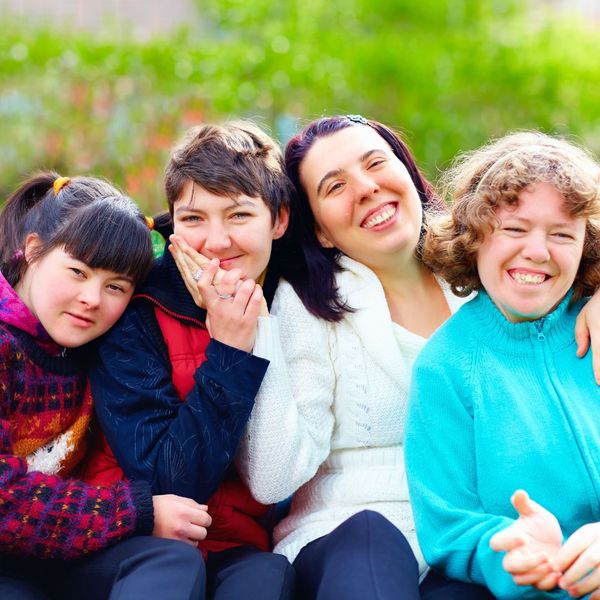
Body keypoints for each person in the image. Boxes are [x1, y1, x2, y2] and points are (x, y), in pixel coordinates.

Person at [89, 122, 295, 600]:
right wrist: (229, 351)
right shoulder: (137, 308)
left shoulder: (299, 299)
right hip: (139, 539)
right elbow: (166, 481)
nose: (216, 242)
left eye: (239, 215)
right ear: (174, 221)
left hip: (240, 542)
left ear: (279, 220)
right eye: (194, 218)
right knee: (177, 567)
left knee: (267, 578)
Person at [405, 132, 600, 599]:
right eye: (515, 229)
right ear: (474, 237)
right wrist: (512, 552)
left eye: (561, 234)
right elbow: (448, 527)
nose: (538, 251)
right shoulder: (445, 367)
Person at [0, 172, 208, 600]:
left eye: (116, 286)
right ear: (34, 251)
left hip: (56, 557)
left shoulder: (90, 347)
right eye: (78, 272)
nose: (93, 299)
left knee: (170, 559)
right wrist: (135, 510)